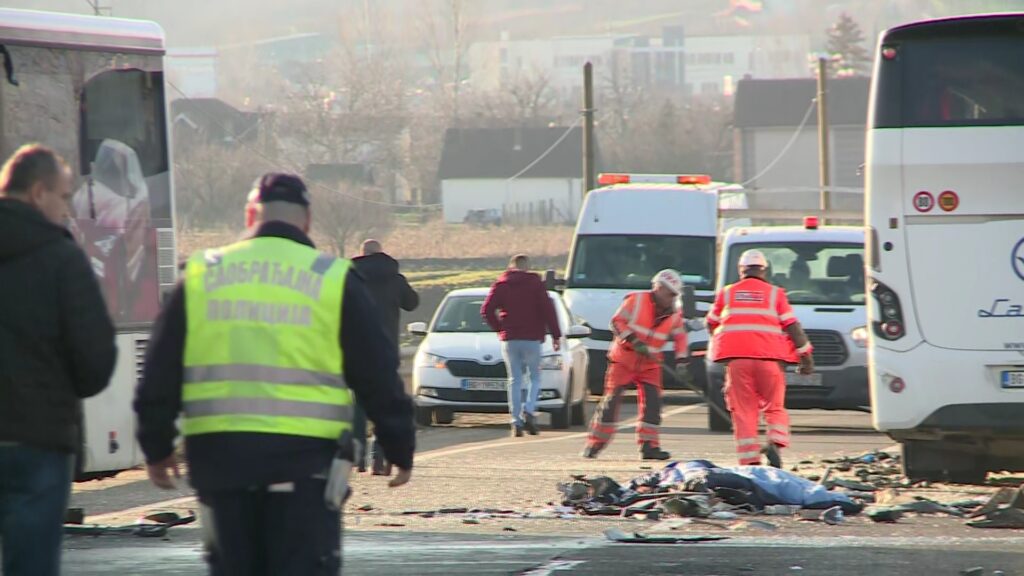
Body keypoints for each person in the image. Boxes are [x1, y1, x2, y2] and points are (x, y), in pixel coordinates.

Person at [134, 173, 416, 576]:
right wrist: (398, 444)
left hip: (222, 464)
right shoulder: (331, 278)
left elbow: (160, 369)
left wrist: (156, 446)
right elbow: (377, 372)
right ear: (307, 221)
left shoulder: (201, 275)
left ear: (250, 214)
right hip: (304, 467)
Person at [0, 144, 117, 576]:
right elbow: (96, 363)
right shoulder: (63, 259)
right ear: (37, 193)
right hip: (39, 442)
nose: (68, 210)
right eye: (64, 197)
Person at [705, 249, 815, 468]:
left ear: (741, 270)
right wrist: (806, 357)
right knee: (774, 406)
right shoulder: (775, 294)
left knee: (744, 410)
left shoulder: (726, 293)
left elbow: (711, 323)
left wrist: (726, 342)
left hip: (737, 362)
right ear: (764, 270)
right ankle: (775, 442)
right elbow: (793, 327)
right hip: (769, 360)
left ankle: (749, 461)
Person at [583, 269, 689, 461]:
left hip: (650, 364)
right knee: (611, 403)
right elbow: (616, 322)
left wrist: (682, 362)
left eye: (674, 295)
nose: (671, 298)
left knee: (653, 405)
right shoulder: (636, 301)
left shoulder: (674, 314)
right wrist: (633, 340)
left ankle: (649, 447)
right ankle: (595, 444)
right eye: (669, 294)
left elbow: (681, 337)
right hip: (624, 359)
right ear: (658, 288)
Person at [351, 239, 419, 472]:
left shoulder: (349, 278)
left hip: (356, 349)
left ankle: (358, 457)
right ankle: (379, 459)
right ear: (382, 254)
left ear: (361, 254)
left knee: (358, 405)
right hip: (386, 349)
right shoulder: (395, 279)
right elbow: (412, 303)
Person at [481, 254, 562, 437]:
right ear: (527, 267)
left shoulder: (501, 284)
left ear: (511, 266)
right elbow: (548, 310)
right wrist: (556, 335)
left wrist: (499, 328)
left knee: (514, 380)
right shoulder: (535, 284)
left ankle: (515, 421)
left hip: (510, 339)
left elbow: (486, 310)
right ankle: (530, 410)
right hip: (532, 338)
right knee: (535, 378)